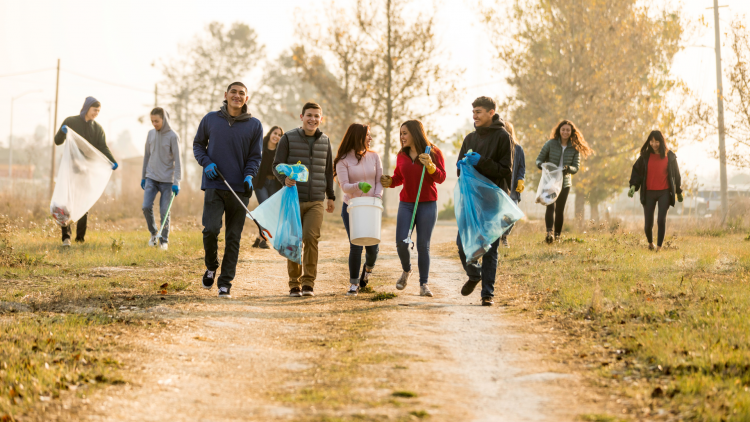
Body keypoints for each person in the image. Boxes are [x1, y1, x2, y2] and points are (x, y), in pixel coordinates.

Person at [193, 82, 263, 298]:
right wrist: (206, 162)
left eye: (242, 93)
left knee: (234, 237)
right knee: (211, 230)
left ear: (246, 99)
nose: (237, 96)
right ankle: (211, 266)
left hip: (240, 189)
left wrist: (249, 175)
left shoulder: (254, 125)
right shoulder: (210, 119)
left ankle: (225, 283)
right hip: (214, 184)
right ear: (226, 95)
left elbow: (255, 156)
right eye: (233, 92)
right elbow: (198, 145)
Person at [273, 102, 336, 297]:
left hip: (316, 200)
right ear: (301, 117)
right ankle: (294, 284)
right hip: (293, 199)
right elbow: (276, 165)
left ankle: (308, 283)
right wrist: (284, 179)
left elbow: (328, 171)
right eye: (309, 115)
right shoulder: (288, 138)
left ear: (321, 119)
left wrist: (330, 196)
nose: (313, 119)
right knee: (293, 241)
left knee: (311, 239)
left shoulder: (325, 141)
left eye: (317, 116)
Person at [455, 97, 513, 306]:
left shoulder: (503, 137)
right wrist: (462, 165)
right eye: (473, 112)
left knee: (490, 247)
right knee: (462, 243)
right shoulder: (470, 138)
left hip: (493, 201)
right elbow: (459, 168)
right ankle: (474, 274)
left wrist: (482, 162)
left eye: (479, 112)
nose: (475, 116)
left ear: (491, 113)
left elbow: (506, 171)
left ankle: (487, 294)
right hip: (472, 201)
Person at [381, 120, 446, 297]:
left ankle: (423, 284)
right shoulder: (401, 155)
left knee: (423, 246)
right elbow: (398, 178)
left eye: (405, 133)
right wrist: (390, 182)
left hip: (428, 204)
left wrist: (431, 167)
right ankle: (406, 270)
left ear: (416, 133)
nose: (401, 137)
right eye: (400, 133)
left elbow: (441, 178)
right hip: (407, 204)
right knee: (401, 242)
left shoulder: (433, 152)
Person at [54, 96, 118, 247]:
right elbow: (57, 141)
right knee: (67, 203)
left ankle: (80, 238)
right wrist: (63, 132)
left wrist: (112, 160)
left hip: (86, 170)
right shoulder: (70, 121)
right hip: (70, 169)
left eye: (99, 111)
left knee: (83, 203)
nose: (97, 113)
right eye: (95, 110)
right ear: (87, 107)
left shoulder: (97, 129)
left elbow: (102, 147)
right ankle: (66, 237)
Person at [334, 123, 383, 296]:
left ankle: (367, 271)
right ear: (357, 137)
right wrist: (358, 186)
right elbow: (345, 186)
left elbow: (379, 181)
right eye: (367, 135)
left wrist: (376, 197)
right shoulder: (343, 160)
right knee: (356, 245)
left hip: (372, 207)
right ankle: (353, 284)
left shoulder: (374, 157)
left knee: (373, 247)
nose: (370, 138)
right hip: (352, 208)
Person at [535, 119, 593, 244]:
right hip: (550, 181)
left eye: (568, 130)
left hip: (564, 183)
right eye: (563, 129)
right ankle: (549, 233)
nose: (565, 132)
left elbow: (576, 167)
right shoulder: (550, 144)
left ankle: (557, 236)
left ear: (571, 132)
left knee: (559, 209)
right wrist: (541, 165)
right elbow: (539, 159)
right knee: (549, 206)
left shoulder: (574, 148)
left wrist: (568, 169)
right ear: (559, 131)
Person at [628, 130, 683, 252]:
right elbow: (636, 171)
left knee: (661, 220)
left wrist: (678, 191)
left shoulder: (670, 156)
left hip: (664, 192)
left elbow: (676, 175)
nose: (654, 144)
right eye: (651, 141)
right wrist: (633, 186)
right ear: (649, 142)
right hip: (648, 193)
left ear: (661, 142)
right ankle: (650, 243)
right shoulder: (644, 157)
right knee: (648, 224)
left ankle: (659, 247)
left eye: (656, 141)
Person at [141, 107, 181, 251]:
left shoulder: (173, 136)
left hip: (167, 181)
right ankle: (154, 234)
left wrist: (177, 182)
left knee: (165, 211)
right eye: (152, 121)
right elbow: (146, 156)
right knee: (146, 206)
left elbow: (178, 160)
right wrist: (143, 177)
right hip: (151, 177)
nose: (154, 124)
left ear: (164, 119)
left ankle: (164, 240)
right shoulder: (150, 134)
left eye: (156, 121)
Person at [252, 126, 284, 249]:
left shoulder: (280, 151)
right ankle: (264, 240)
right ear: (270, 134)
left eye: (279, 135)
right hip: (261, 184)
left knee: (271, 212)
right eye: (275, 133)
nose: (276, 136)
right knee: (265, 210)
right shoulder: (260, 147)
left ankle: (260, 238)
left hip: (275, 185)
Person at [502, 121, 525, 248]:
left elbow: (522, 167)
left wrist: (521, 179)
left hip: (513, 189)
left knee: (512, 215)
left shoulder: (518, 149)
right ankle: (497, 238)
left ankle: (504, 235)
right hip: (500, 187)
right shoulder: (498, 148)